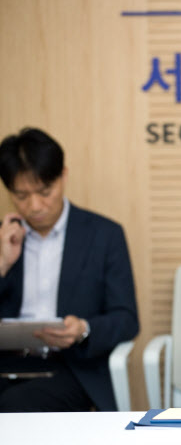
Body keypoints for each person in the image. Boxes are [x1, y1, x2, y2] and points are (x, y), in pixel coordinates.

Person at [0, 128, 139, 412]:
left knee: (16, 404)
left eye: (44, 192)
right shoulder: (4, 237)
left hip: (71, 368)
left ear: (63, 176)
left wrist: (83, 330)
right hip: (7, 364)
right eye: (21, 195)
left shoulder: (104, 235)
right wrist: (2, 264)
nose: (35, 206)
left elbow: (126, 319)